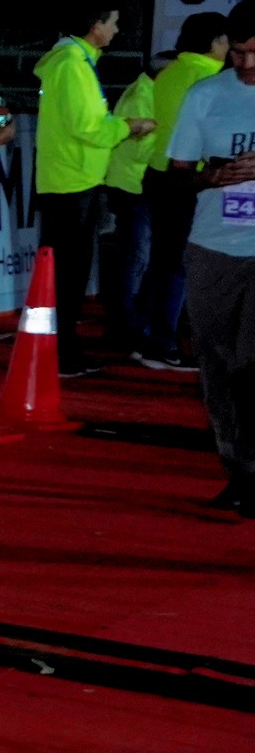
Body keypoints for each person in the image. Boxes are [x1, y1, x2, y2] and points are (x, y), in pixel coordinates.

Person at [161, 29, 255, 514]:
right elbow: (175, 174)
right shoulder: (205, 94)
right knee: (218, 368)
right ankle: (241, 473)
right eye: (238, 53)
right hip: (214, 248)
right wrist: (211, 176)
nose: (246, 64)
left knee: (251, 363)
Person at [33, 5, 151, 377]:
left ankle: (62, 348)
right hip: (71, 181)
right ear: (95, 24)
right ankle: (61, 352)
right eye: (113, 22)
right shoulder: (71, 64)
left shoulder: (74, 61)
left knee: (69, 272)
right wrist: (129, 127)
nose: (116, 30)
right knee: (68, 274)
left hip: (73, 178)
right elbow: (87, 126)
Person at [134, 12, 233, 369]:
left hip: (159, 174)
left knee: (163, 261)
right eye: (228, 41)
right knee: (181, 264)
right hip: (192, 178)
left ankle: (146, 335)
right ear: (215, 42)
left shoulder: (170, 72)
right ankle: (163, 343)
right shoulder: (211, 78)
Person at [100, 47, 171, 354]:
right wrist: (167, 135)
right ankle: (124, 326)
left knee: (138, 258)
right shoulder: (143, 97)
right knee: (136, 258)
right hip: (131, 186)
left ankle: (128, 323)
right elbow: (139, 150)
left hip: (136, 185)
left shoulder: (147, 92)